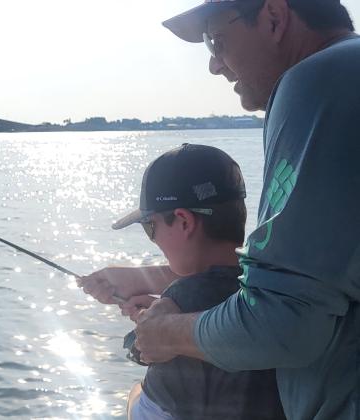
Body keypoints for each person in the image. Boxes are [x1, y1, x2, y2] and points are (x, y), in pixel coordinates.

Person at [80, 0, 360, 419]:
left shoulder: (317, 80)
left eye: (217, 41)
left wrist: (166, 335)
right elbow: (322, 280)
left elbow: (284, 322)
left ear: (273, 17)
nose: (214, 65)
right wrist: (162, 286)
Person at [105, 143, 286, 420]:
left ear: (184, 221)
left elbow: (146, 414)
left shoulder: (180, 303)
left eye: (149, 226)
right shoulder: (280, 287)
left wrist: (136, 391)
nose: (152, 239)